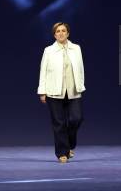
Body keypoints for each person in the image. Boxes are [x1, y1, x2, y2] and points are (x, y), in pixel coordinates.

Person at [37, 22, 86, 163]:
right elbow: (43, 71)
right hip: (54, 91)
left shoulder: (76, 48)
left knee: (76, 118)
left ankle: (70, 145)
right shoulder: (49, 50)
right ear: (54, 34)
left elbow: (81, 69)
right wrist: (42, 91)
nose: (60, 33)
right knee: (59, 123)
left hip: (73, 90)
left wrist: (80, 86)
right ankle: (61, 153)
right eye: (57, 31)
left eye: (63, 30)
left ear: (68, 33)